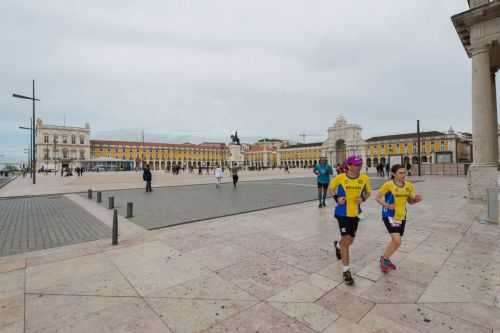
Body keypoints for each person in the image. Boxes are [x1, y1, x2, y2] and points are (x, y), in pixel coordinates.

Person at [328, 155, 372, 285]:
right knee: (346, 241)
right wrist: (337, 198)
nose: (359, 166)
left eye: (360, 164)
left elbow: (368, 192)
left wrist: (363, 198)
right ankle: (346, 271)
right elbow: (331, 188)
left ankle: (337, 246)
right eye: (357, 164)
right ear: (349, 165)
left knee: (349, 241)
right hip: (342, 213)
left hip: (355, 213)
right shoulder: (340, 178)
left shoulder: (364, 178)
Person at [376, 164, 422, 273]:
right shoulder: (388, 185)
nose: (403, 175)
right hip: (389, 215)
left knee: (396, 241)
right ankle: (384, 259)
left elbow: (410, 201)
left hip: (402, 215)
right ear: (393, 174)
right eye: (400, 173)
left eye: (404, 172)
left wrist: (416, 200)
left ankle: (385, 259)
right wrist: (387, 205)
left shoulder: (409, 185)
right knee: (397, 241)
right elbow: (377, 197)